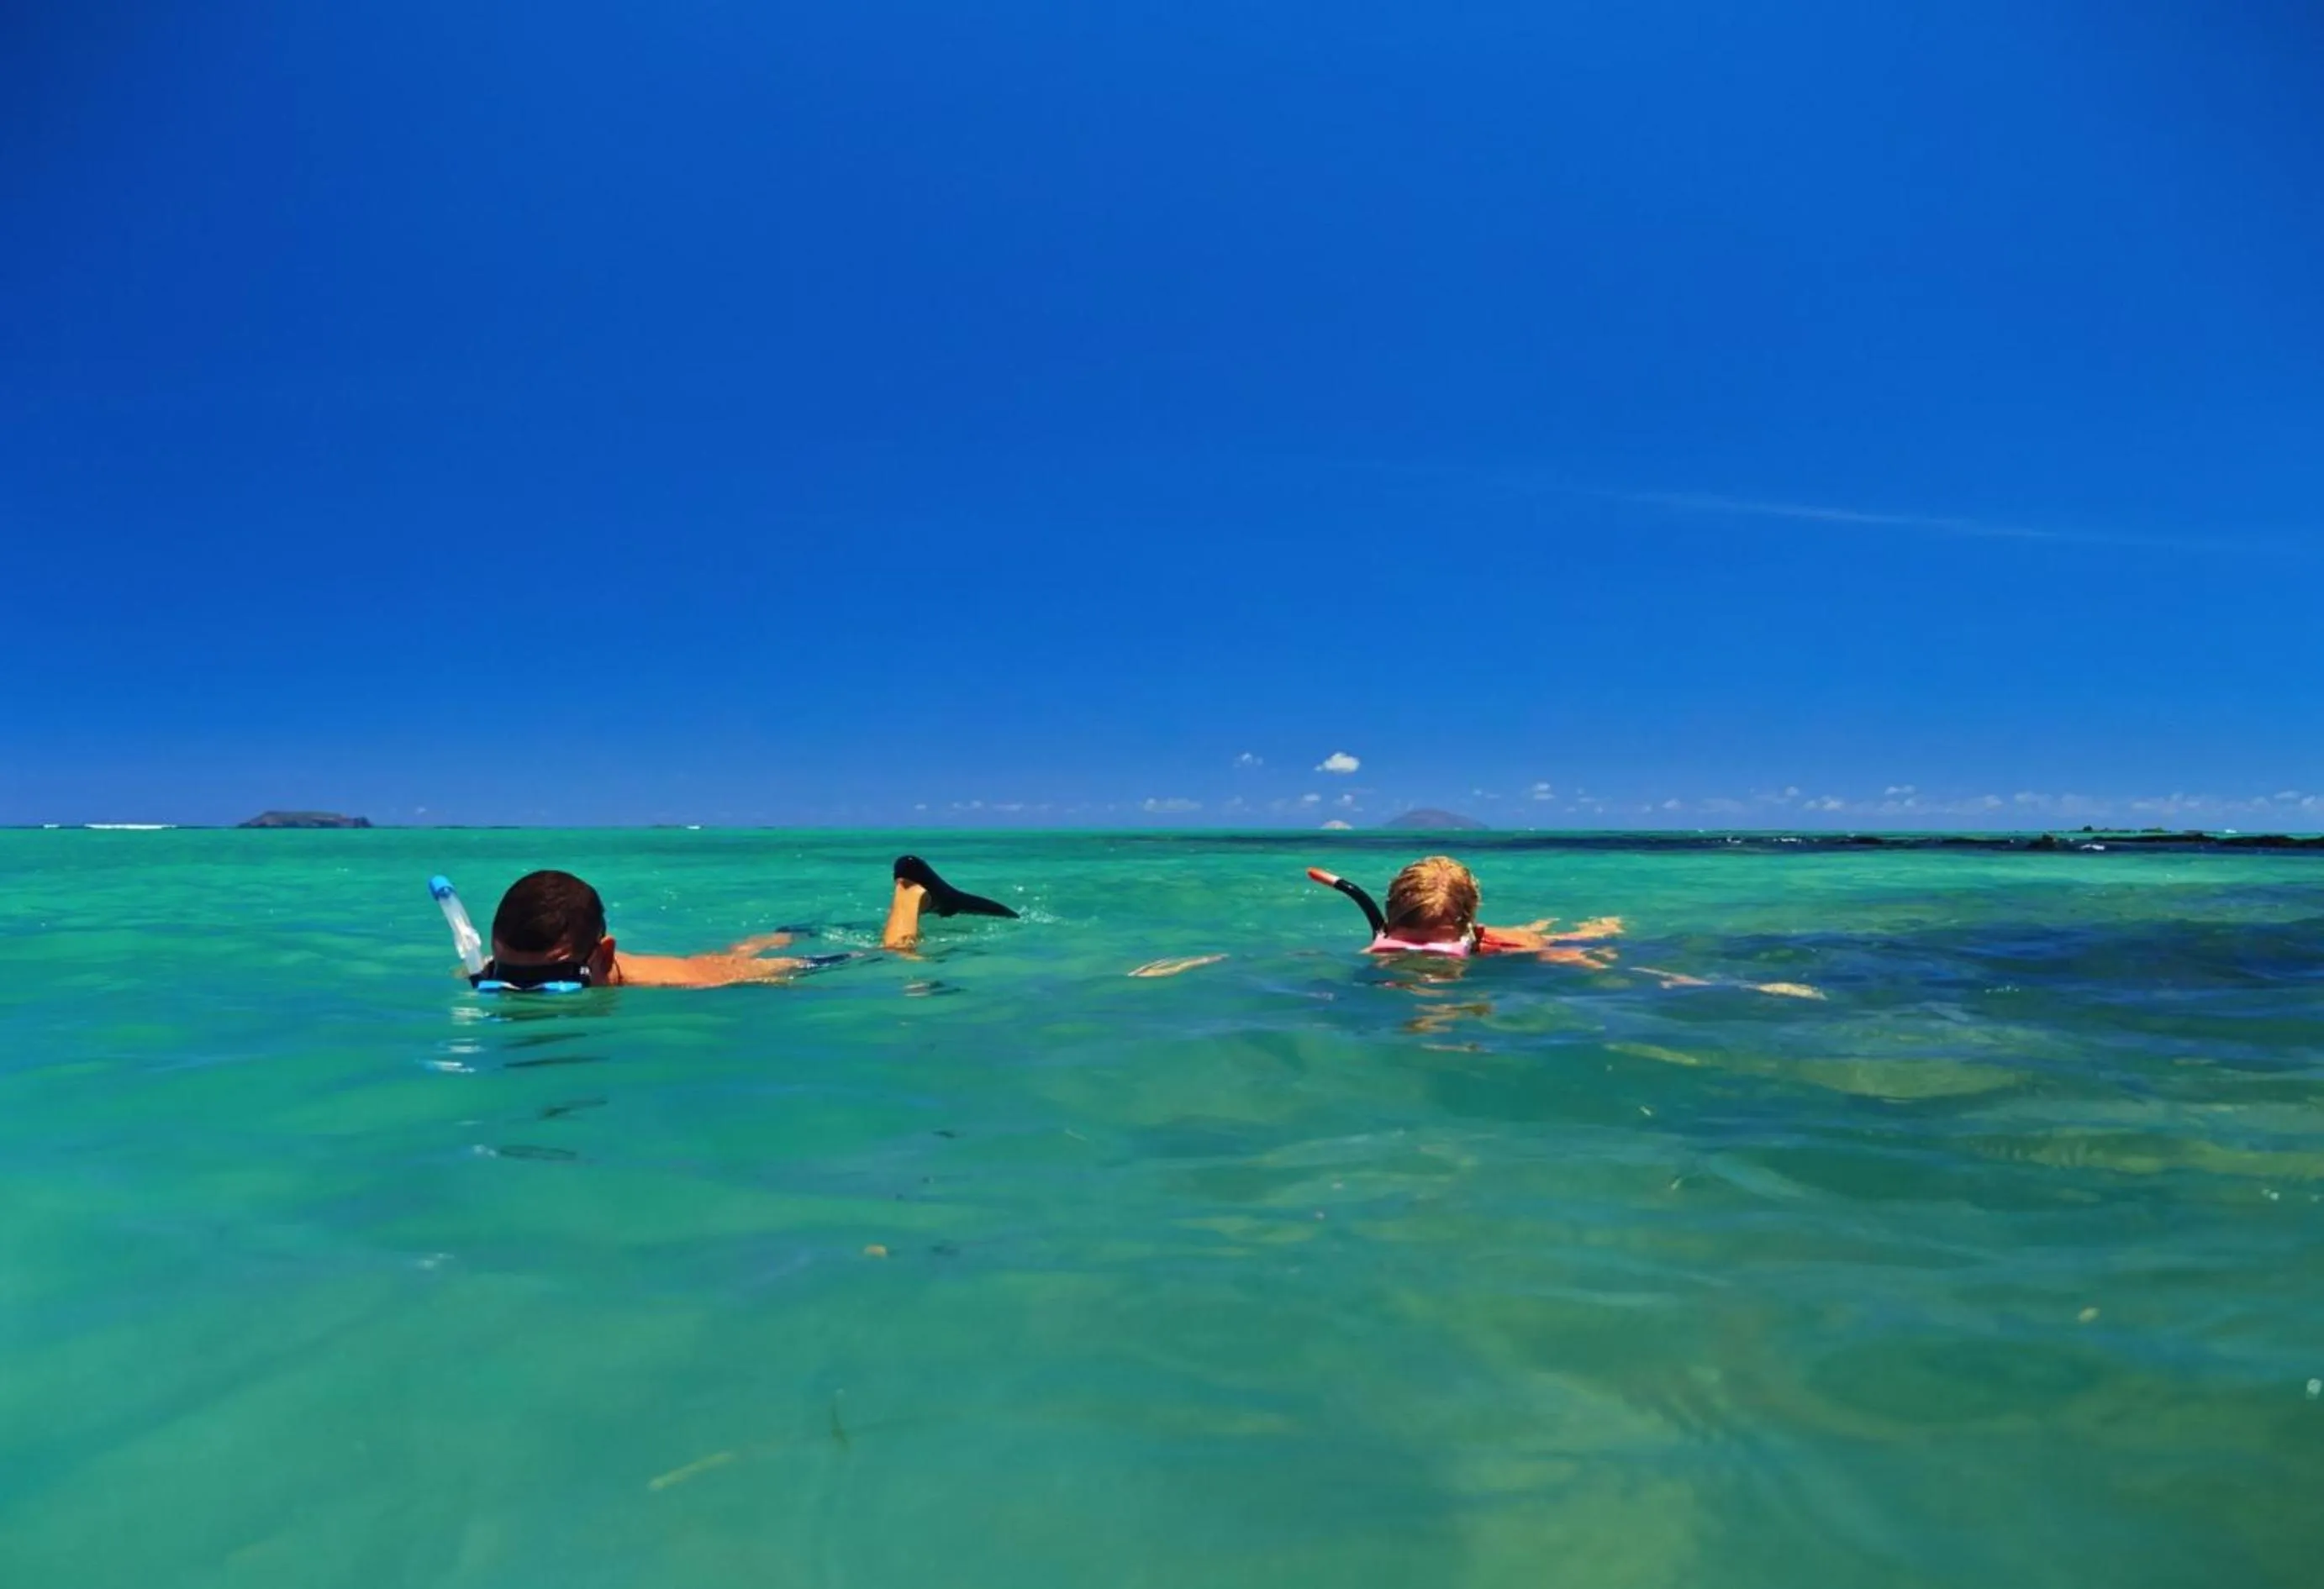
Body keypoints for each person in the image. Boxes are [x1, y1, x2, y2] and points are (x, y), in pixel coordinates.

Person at [477, 856, 1015, 990]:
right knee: (746, 943)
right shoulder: (496, 973)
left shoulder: (686, 983)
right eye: (507, 977)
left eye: (551, 982)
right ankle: (780, 928)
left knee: (895, 958)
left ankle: (910, 893)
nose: (520, 993)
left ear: (602, 955)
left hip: (718, 972)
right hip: (706, 959)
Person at [1363, 855, 1622, 964]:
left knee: (1566, 937)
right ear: (1389, 919)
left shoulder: (1509, 947)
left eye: (1438, 947)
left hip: (1508, 941)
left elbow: (1566, 956)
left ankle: (1603, 924)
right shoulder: (1376, 953)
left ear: (1468, 926)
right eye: (1408, 942)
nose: (1424, 956)